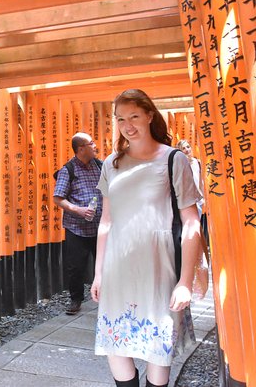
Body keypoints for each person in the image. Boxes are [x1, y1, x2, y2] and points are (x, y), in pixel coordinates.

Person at [91, 89, 202, 387]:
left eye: (134, 117)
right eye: (121, 119)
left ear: (150, 115)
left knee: (157, 351)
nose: (127, 125)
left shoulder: (173, 160)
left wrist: (185, 281)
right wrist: (99, 273)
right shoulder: (111, 164)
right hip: (117, 268)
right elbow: (106, 221)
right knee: (116, 348)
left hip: (158, 267)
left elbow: (192, 222)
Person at [53, 132, 102, 315]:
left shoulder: (100, 165)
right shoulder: (68, 169)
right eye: (91, 143)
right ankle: (76, 300)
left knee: (104, 263)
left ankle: (106, 298)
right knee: (76, 267)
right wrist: (78, 210)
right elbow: (58, 199)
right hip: (77, 228)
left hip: (99, 227)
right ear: (81, 148)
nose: (95, 146)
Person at [177, 139, 208, 243]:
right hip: (188, 200)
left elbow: (201, 180)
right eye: (183, 148)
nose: (186, 150)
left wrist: (203, 196)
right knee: (191, 226)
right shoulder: (181, 165)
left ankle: (199, 250)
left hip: (199, 198)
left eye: (188, 147)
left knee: (198, 225)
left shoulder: (197, 162)